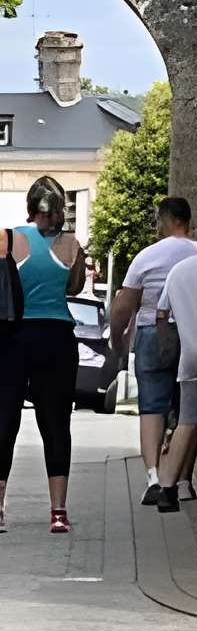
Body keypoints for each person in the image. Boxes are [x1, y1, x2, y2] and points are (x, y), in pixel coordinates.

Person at [0, 173, 88, 535]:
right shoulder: (71, 244)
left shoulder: (9, 238)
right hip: (57, 338)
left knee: (4, 422)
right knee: (55, 424)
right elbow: (76, 285)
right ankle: (58, 511)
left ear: (31, 208)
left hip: (14, 337)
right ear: (58, 211)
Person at [108, 195, 197, 506]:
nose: (156, 226)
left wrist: (117, 337)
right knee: (189, 406)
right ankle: (183, 480)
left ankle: (153, 477)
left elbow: (124, 305)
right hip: (191, 332)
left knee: (152, 406)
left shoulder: (146, 257)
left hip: (151, 334)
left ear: (168, 219)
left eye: (158, 219)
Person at [152, 239, 197, 511]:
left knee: (188, 420)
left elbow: (162, 313)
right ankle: (186, 483)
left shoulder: (177, 271)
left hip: (191, 353)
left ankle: (168, 487)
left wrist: (166, 349)